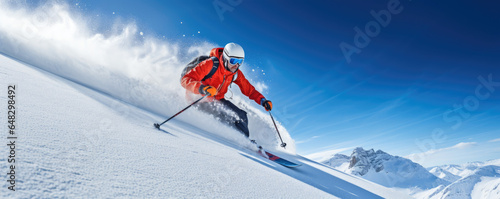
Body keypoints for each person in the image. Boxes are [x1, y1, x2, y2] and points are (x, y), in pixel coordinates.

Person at [181, 43, 272, 138]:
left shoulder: (235, 73)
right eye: (233, 61)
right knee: (224, 116)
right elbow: (185, 80)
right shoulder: (210, 64)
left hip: (217, 100)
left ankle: (244, 141)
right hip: (199, 99)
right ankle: (231, 141)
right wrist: (202, 88)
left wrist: (262, 100)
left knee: (241, 116)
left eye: (240, 61)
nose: (236, 65)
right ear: (225, 58)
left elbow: (249, 90)